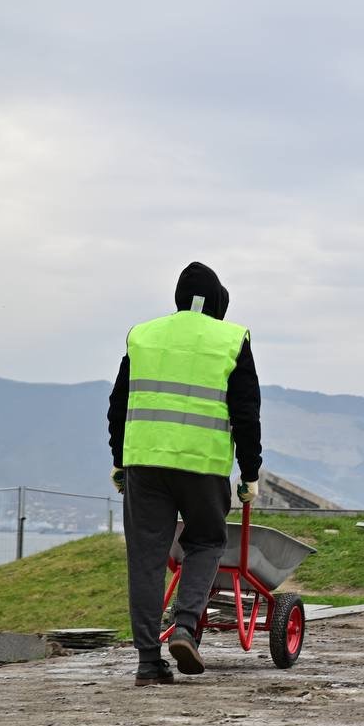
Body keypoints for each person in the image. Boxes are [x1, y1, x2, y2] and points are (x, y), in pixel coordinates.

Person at [107, 262, 263, 686]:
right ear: (218, 304)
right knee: (208, 541)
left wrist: (119, 459)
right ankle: (185, 628)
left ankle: (146, 662)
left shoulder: (143, 335)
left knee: (146, 558)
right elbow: (246, 412)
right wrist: (250, 471)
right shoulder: (231, 339)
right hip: (203, 465)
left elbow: (119, 403)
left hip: (145, 463)